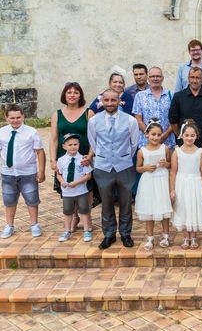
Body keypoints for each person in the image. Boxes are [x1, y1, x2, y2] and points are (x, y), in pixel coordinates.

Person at [87, 89, 139, 249]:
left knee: (125, 202)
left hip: (124, 166)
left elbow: (134, 144)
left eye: (113, 100)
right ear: (102, 101)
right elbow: (93, 142)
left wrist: (122, 157)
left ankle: (125, 233)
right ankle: (109, 234)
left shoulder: (130, 121)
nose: (110, 103)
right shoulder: (94, 121)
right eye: (107, 100)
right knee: (107, 202)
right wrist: (104, 157)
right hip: (103, 167)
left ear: (119, 101)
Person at [49, 82, 94, 226]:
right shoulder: (57, 114)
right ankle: (74, 217)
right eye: (69, 92)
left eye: (76, 92)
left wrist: (90, 155)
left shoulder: (89, 113)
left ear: (80, 95)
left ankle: (87, 216)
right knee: (68, 184)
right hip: (65, 155)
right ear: (64, 95)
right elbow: (54, 138)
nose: (72, 95)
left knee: (86, 186)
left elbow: (95, 137)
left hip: (85, 155)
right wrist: (53, 159)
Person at [0, 105, 45, 239]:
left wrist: (41, 171)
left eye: (18, 117)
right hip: (8, 173)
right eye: (12, 118)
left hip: (28, 173)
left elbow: (40, 152)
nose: (15, 120)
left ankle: (34, 224)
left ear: (23, 116)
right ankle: (9, 225)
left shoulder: (31, 132)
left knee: (31, 199)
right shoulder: (1, 132)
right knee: (9, 200)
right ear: (6, 118)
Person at [170, 120, 202, 249]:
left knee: (194, 209)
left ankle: (193, 237)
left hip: (195, 183)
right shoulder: (177, 152)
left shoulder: (199, 152)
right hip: (181, 184)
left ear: (196, 136)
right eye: (186, 135)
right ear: (182, 135)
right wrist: (172, 189)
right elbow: (173, 172)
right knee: (184, 209)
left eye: (192, 135)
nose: (189, 138)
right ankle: (186, 237)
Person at [135, 121, 172, 250]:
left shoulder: (165, 148)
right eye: (153, 134)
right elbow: (138, 168)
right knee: (149, 210)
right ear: (147, 135)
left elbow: (171, 164)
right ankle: (150, 237)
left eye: (158, 134)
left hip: (162, 180)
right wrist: (144, 167)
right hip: (148, 181)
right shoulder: (142, 151)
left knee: (164, 209)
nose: (156, 137)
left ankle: (166, 235)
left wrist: (165, 164)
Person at [169, 66, 202, 147]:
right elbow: (173, 121)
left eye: (198, 78)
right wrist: (181, 136)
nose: (195, 80)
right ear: (188, 78)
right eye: (192, 77)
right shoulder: (178, 97)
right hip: (184, 143)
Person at [55, 133, 92, 242]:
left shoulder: (83, 160)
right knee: (67, 211)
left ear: (79, 145)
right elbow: (58, 174)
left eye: (75, 144)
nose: (73, 147)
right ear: (64, 146)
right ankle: (67, 230)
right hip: (67, 192)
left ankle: (86, 230)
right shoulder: (61, 160)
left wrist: (76, 183)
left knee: (84, 210)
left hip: (81, 191)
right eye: (70, 145)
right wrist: (62, 181)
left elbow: (88, 175)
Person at [132, 66, 175, 149]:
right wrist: (151, 135)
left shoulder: (171, 95)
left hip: (167, 142)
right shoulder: (140, 96)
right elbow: (138, 119)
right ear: (148, 78)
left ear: (162, 78)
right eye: (152, 76)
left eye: (158, 76)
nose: (155, 79)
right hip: (146, 142)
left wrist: (164, 135)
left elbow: (174, 119)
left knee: (166, 162)